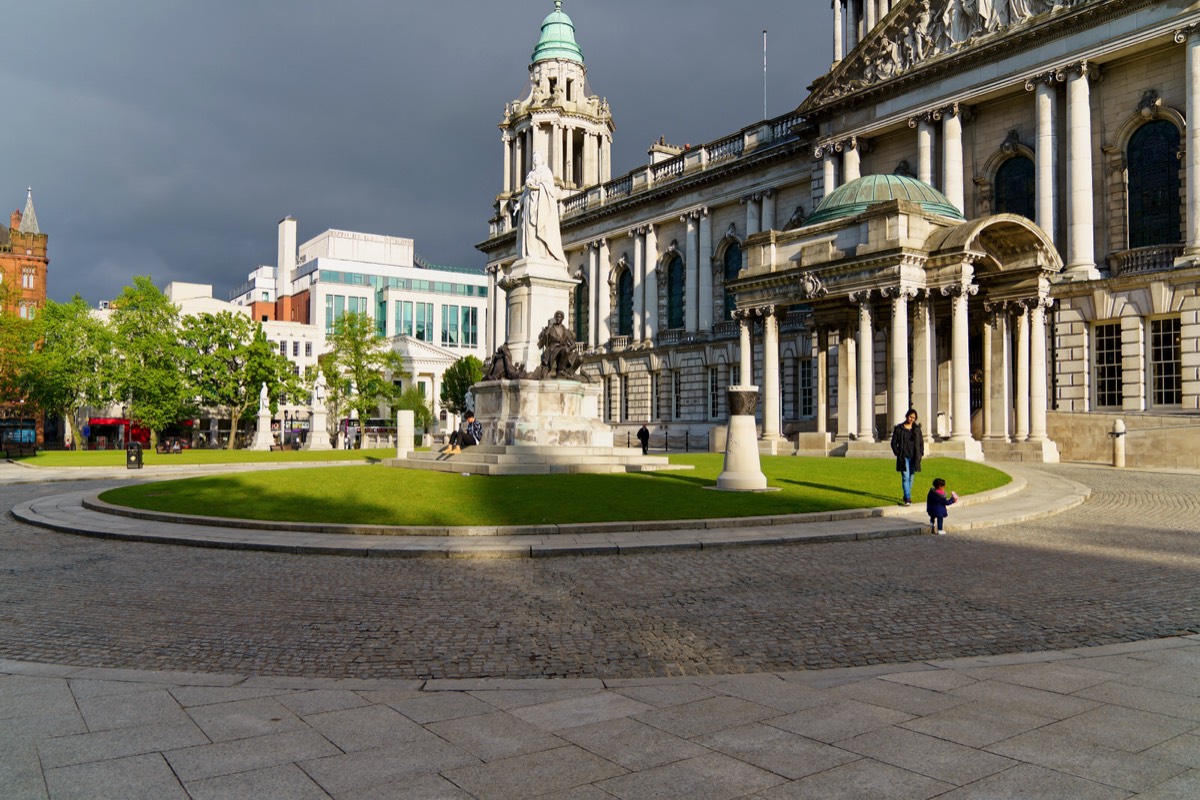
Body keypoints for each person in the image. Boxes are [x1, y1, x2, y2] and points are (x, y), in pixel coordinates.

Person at [516, 152, 567, 265]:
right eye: (533, 157)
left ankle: (540, 252)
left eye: (537, 157)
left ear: (542, 159)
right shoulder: (530, 174)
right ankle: (532, 252)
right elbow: (525, 192)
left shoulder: (546, 172)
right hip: (529, 204)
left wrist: (534, 186)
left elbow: (548, 187)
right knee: (529, 231)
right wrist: (519, 204)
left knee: (539, 227)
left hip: (540, 204)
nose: (535, 159)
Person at [890, 409, 924, 506]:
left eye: (914, 418)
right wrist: (897, 453)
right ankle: (908, 498)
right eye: (910, 417)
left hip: (914, 457)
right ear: (907, 416)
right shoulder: (899, 428)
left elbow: (921, 443)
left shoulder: (917, 429)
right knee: (905, 477)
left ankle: (906, 495)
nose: (911, 419)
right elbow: (893, 443)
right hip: (903, 457)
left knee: (911, 478)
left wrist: (921, 453)